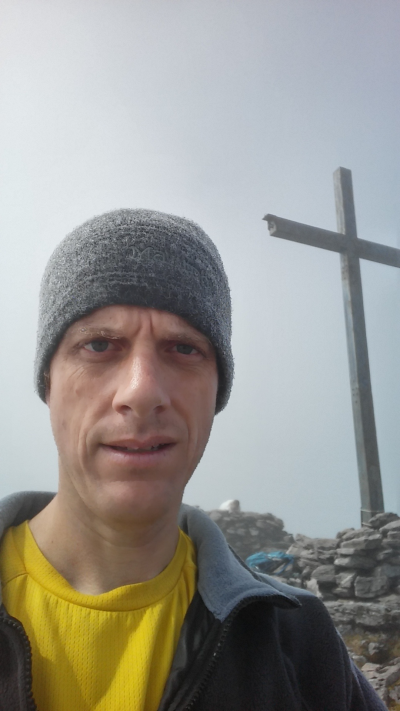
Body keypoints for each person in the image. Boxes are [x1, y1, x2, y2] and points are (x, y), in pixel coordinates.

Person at [0, 209, 385, 711]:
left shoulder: (297, 639)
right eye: (98, 345)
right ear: (47, 382)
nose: (141, 392)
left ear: (216, 392)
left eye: (184, 348)